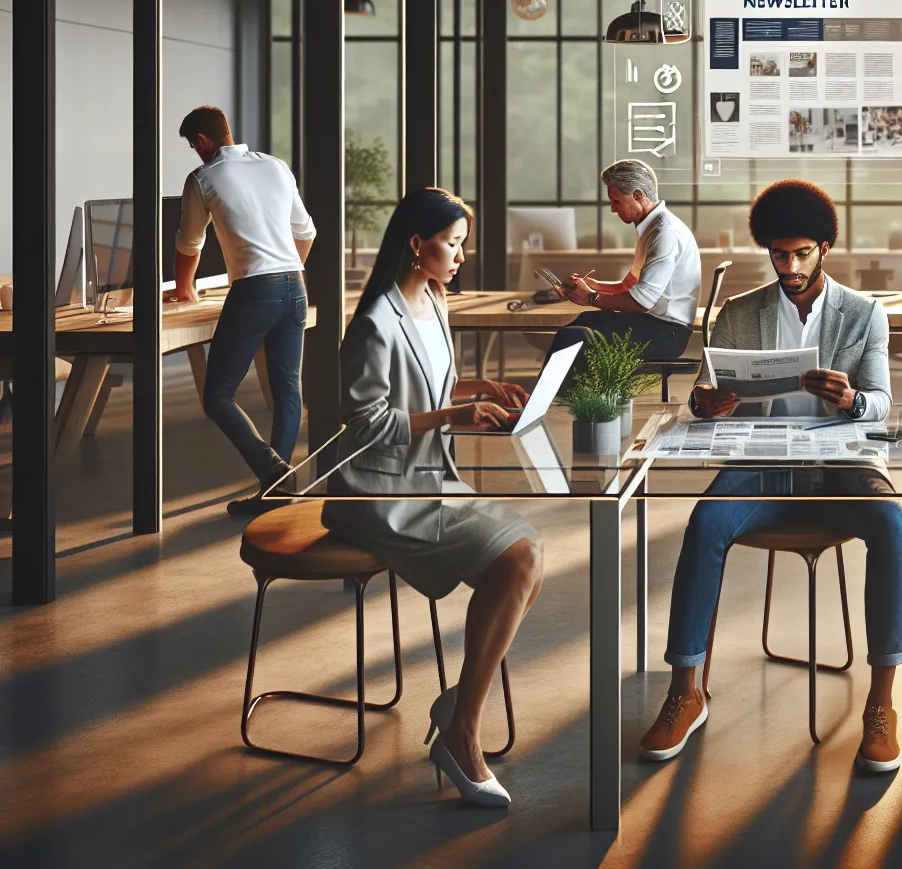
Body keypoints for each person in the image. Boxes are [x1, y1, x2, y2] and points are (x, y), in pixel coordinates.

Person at [639, 180, 902, 773]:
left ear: (824, 247)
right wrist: (706, 403)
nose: (789, 268)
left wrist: (852, 400)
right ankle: (686, 691)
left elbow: (882, 400)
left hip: (840, 466)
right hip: (761, 463)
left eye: (801, 254)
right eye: (779, 255)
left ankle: (881, 702)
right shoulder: (740, 313)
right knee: (706, 521)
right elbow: (702, 391)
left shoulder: (864, 313)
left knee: (891, 522)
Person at [323, 188, 546, 805]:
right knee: (521, 558)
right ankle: (462, 733)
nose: (461, 256)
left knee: (527, 559)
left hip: (427, 477)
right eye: (453, 244)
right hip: (377, 494)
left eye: (463, 245)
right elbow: (364, 425)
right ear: (418, 244)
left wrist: (482, 387)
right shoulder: (374, 322)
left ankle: (460, 705)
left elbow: (428, 384)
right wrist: (454, 413)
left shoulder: (433, 299)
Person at [166, 106, 315, 516]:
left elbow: (188, 243)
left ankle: (273, 471)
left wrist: (184, 290)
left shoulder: (203, 177)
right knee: (288, 389)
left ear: (201, 141)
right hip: (295, 286)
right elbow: (306, 232)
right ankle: (277, 490)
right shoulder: (276, 166)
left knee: (217, 395)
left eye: (193, 145)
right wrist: (287, 271)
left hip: (254, 292)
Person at [554, 160, 700, 361]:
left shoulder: (664, 233)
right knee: (582, 321)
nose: (613, 209)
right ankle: (569, 382)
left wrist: (590, 298)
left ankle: (558, 383)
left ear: (638, 196)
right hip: (655, 323)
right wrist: (595, 286)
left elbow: (641, 302)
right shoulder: (649, 226)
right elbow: (629, 285)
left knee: (572, 337)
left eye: (616, 201)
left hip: (667, 333)